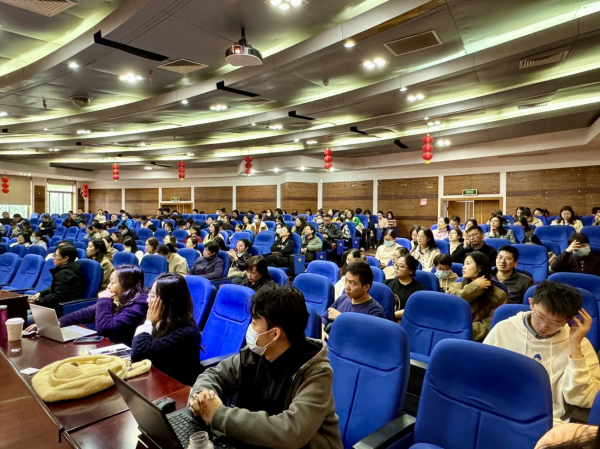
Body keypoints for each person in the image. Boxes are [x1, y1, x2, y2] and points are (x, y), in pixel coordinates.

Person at [189, 285, 343, 448]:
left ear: (275, 334)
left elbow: (290, 432)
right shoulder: (257, 353)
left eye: (254, 323)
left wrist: (219, 415)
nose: (250, 328)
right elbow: (215, 375)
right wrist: (201, 397)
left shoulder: (316, 372)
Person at [485, 281, 600, 426]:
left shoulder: (580, 344)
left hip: (549, 418)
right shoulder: (503, 329)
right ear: (531, 303)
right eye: (540, 316)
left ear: (569, 320)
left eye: (555, 322)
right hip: (499, 408)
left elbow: (585, 399)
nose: (544, 326)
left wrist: (575, 347)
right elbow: (483, 375)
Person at [29, 265, 148, 346]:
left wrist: (104, 300)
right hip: (108, 344)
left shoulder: (139, 304)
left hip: (125, 350)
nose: (108, 286)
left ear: (127, 285)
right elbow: (86, 313)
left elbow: (106, 329)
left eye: (112, 283)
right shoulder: (118, 298)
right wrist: (56, 323)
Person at [131, 273, 201, 386]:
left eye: (153, 296)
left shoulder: (184, 332)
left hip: (176, 388)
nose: (148, 300)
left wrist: (148, 322)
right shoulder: (163, 320)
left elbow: (138, 354)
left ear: (169, 301)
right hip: (158, 379)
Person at [448, 253, 507, 341]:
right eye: (464, 264)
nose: (463, 267)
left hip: (474, 338)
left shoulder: (499, 295)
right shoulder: (455, 286)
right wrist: (474, 286)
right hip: (449, 331)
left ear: (480, 268)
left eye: (468, 264)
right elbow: (451, 305)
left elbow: (489, 324)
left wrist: (463, 331)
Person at [322, 260, 384, 337]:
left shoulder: (375, 311)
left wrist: (341, 318)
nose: (346, 287)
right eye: (346, 281)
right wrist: (321, 329)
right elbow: (325, 316)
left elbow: (366, 336)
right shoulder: (342, 299)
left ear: (366, 287)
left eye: (352, 283)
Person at [27, 245, 85, 310]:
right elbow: (54, 288)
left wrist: (37, 300)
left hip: (63, 308)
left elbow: (57, 297)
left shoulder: (65, 273)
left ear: (66, 258)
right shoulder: (70, 269)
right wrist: (40, 293)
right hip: (59, 305)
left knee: (24, 313)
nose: (54, 258)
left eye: (56, 256)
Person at [385, 254, 428, 320]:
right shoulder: (386, 283)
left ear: (411, 271)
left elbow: (415, 309)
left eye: (401, 266)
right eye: (396, 265)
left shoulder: (420, 290)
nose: (396, 268)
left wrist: (392, 315)